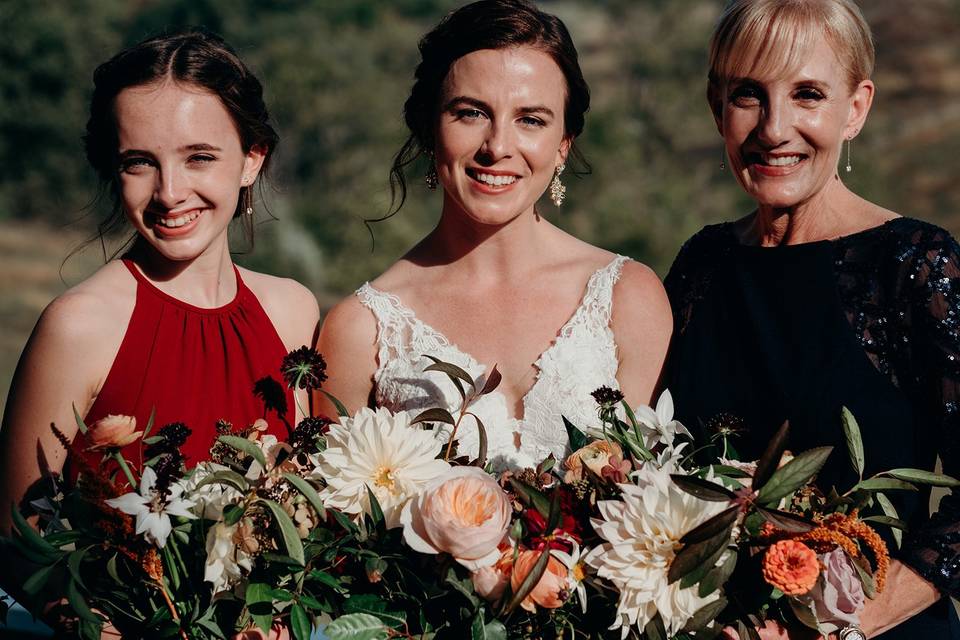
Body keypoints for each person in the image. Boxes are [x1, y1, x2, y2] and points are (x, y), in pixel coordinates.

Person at [663, 1, 958, 638]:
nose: (775, 128)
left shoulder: (914, 266)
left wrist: (835, 625)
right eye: (749, 94)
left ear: (856, 108)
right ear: (717, 109)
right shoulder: (701, 266)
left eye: (807, 94)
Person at [318, 0, 672, 471]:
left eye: (531, 119)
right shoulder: (360, 331)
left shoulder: (629, 297)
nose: (498, 147)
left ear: (563, 143)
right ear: (429, 129)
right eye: (470, 113)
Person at [0, 29, 318, 542]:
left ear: (252, 159)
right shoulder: (79, 325)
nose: (169, 193)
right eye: (140, 162)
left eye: (199, 157)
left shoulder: (293, 311)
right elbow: (16, 537)